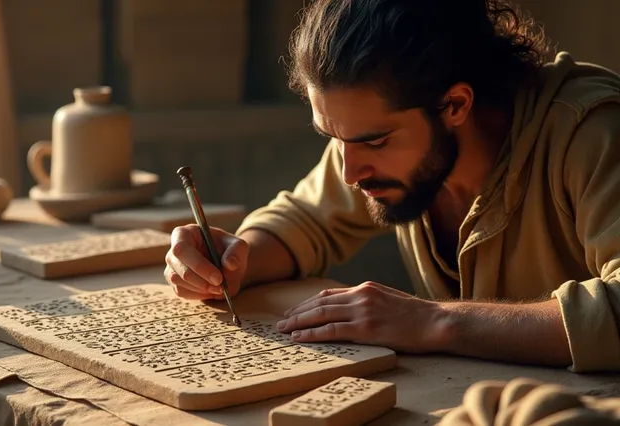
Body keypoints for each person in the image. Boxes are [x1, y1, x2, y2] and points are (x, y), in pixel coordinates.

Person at [164, 0, 620, 374]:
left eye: (374, 142)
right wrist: (232, 259)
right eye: (334, 138)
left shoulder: (591, 132)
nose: (350, 172)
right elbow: (302, 221)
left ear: (454, 105)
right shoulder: (373, 141)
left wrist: (435, 322)